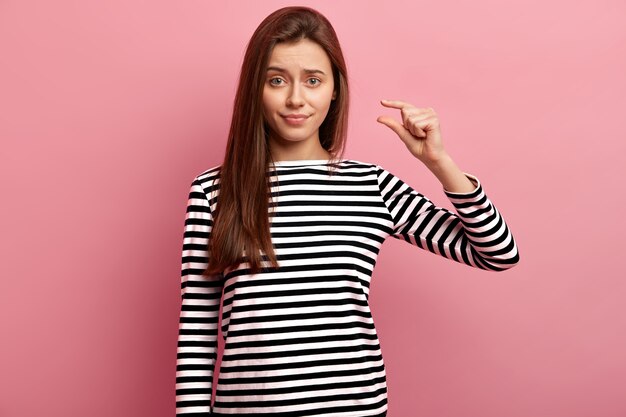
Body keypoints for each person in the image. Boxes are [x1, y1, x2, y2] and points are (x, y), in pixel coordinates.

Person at [175, 6, 519, 416]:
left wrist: (439, 162)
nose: (295, 98)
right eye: (277, 80)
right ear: (255, 88)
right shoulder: (214, 190)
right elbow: (197, 328)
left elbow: (497, 253)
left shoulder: (370, 186)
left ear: (335, 88)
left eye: (314, 81)